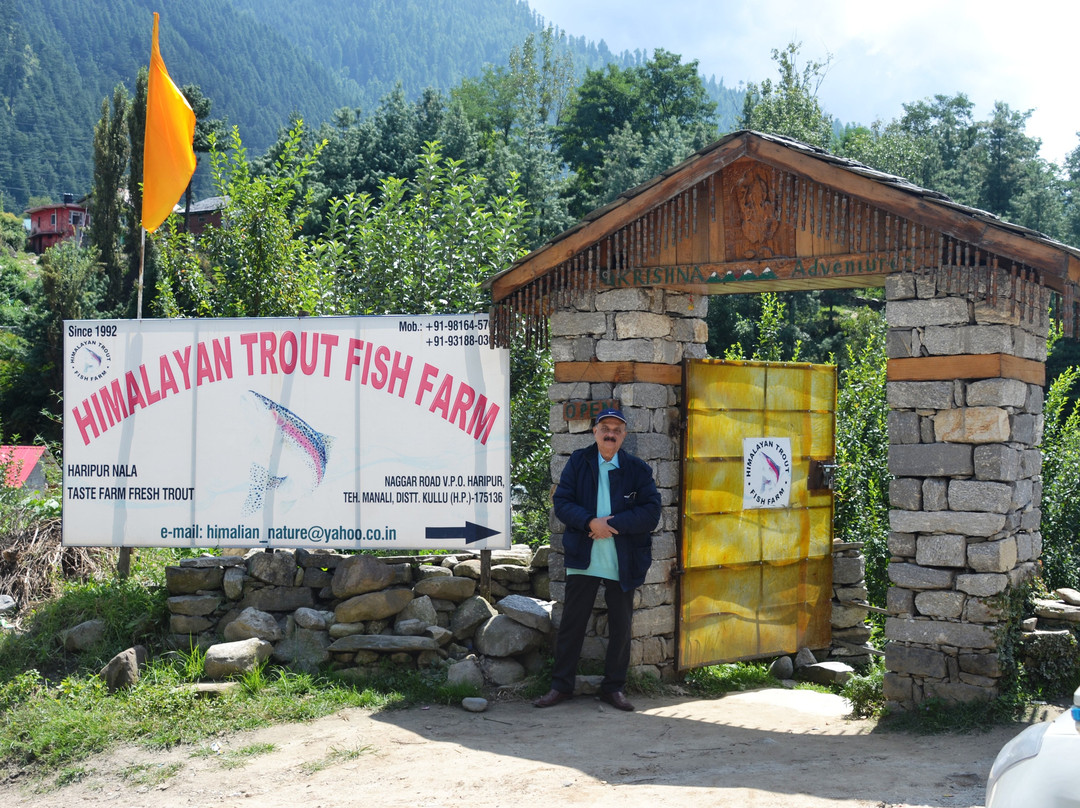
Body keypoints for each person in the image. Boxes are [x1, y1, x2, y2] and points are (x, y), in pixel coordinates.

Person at [534, 407, 662, 712]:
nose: (610, 433)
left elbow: (651, 512)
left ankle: (613, 688)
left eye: (617, 429)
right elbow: (563, 502)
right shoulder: (579, 462)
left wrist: (612, 524)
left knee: (621, 625)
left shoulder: (637, 470)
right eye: (605, 427)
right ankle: (561, 686)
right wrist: (591, 522)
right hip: (585, 555)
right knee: (572, 623)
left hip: (623, 559)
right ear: (595, 431)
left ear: (624, 436)